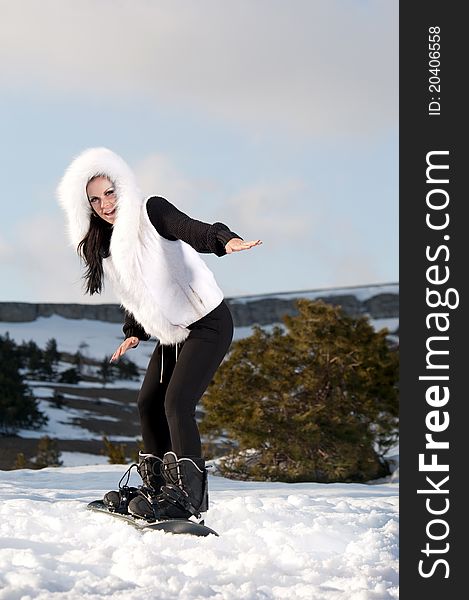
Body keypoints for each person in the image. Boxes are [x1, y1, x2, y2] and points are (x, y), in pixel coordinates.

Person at [57, 147, 261, 523]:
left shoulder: (152, 211)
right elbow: (136, 292)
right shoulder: (109, 243)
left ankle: (188, 498)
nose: (105, 203)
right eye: (95, 199)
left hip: (208, 323)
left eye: (110, 192)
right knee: (148, 403)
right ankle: (156, 489)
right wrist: (134, 331)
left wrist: (224, 240)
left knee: (177, 403)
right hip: (173, 334)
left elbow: (192, 229)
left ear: (123, 186)